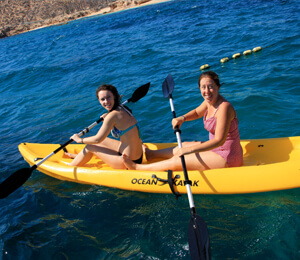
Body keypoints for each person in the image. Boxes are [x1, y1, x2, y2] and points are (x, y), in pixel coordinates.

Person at [123, 71, 243, 171]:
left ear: (218, 87)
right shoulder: (209, 101)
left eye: (211, 87)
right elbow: (197, 112)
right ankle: (151, 154)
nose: (207, 91)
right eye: (203, 87)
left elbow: (219, 141)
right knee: (183, 144)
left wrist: (188, 151)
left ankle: (137, 168)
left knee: (179, 159)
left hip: (227, 156)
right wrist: (182, 118)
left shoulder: (224, 108)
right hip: (215, 149)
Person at [66, 84, 143, 169]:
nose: (106, 102)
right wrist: (107, 119)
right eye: (102, 99)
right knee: (103, 141)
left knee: (90, 146)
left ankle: (69, 167)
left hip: (127, 162)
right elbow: (120, 122)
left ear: (114, 96)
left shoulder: (112, 116)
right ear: (99, 101)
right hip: (138, 156)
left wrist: (79, 140)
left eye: (108, 97)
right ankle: (79, 156)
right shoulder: (123, 108)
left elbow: (97, 139)